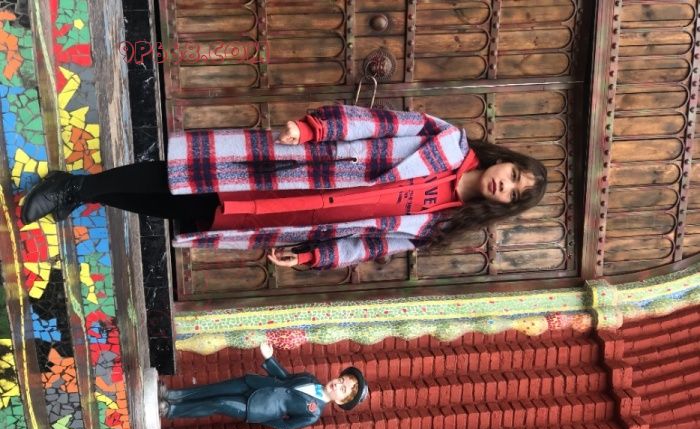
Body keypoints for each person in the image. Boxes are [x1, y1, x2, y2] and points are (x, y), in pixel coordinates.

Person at [21, 105, 547, 270]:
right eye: (514, 175)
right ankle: (76, 188)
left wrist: (313, 257)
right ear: (505, 160)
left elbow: (367, 247)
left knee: (183, 213)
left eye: (513, 194)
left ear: (503, 205)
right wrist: (312, 128)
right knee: (177, 179)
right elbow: (374, 123)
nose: (505, 184)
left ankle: (87, 193)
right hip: (297, 169)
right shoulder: (446, 140)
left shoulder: (439, 225)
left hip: (297, 218)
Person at [157, 342, 368, 429]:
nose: (337, 384)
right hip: (255, 383)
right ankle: (173, 394)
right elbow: (285, 378)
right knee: (214, 389)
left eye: (342, 389)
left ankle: (172, 410)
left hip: (256, 407)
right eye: (341, 380)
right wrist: (269, 359)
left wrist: (264, 416)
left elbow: (285, 426)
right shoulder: (310, 378)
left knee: (219, 403)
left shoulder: (313, 414)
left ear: (341, 401)